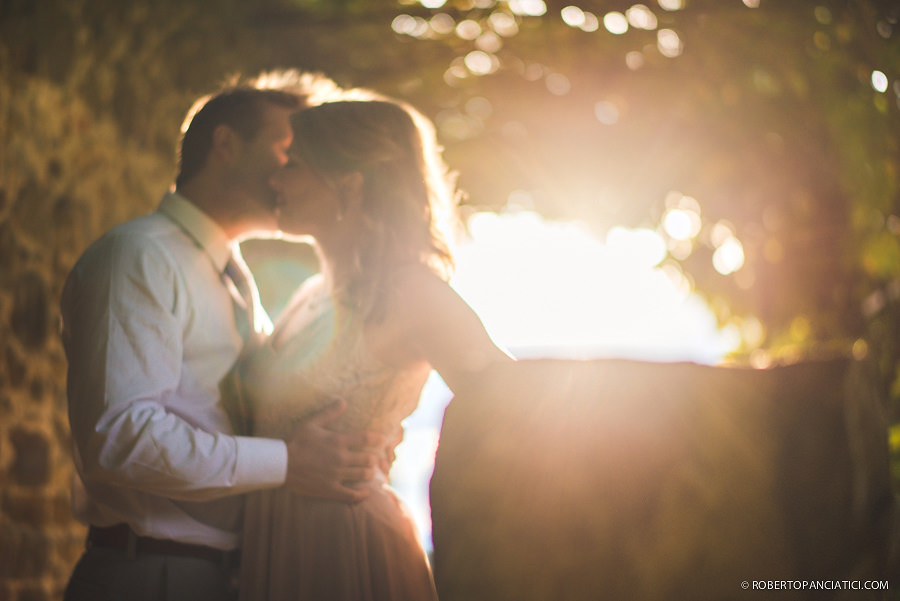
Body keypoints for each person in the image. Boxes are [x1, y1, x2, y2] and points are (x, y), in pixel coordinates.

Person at [60, 75, 387, 601]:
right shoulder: (139, 257)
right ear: (227, 145)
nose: (298, 169)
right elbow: (118, 438)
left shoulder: (231, 274)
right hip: (152, 575)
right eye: (287, 149)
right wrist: (286, 463)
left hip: (224, 572)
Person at [235, 98, 514, 600]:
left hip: (348, 554)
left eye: (294, 165)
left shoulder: (412, 292)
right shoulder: (311, 295)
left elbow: (512, 401)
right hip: (275, 550)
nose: (276, 180)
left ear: (349, 184)